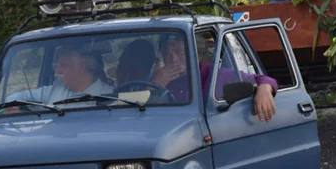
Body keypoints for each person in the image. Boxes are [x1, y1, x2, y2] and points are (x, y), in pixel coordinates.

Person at [118, 34, 278, 122]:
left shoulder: (214, 74)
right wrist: (155, 84)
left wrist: (264, 89)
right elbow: (132, 114)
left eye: (179, 52)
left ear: (194, 55)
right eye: (167, 53)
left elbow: (263, 79)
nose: (173, 59)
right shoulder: (158, 80)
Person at [7, 44, 113, 105]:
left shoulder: (110, 97)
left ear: (82, 66)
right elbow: (20, 96)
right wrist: (11, 106)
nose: (57, 71)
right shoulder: (55, 90)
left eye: (63, 65)